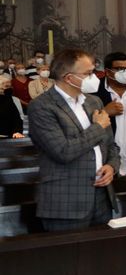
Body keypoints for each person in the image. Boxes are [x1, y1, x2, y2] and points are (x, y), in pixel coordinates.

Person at [26, 48, 120, 231]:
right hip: (66, 202)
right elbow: (63, 151)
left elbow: (111, 145)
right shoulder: (42, 107)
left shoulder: (94, 101)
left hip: (101, 197)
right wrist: (97, 127)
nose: (95, 77)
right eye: (88, 73)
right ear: (69, 78)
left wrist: (111, 166)